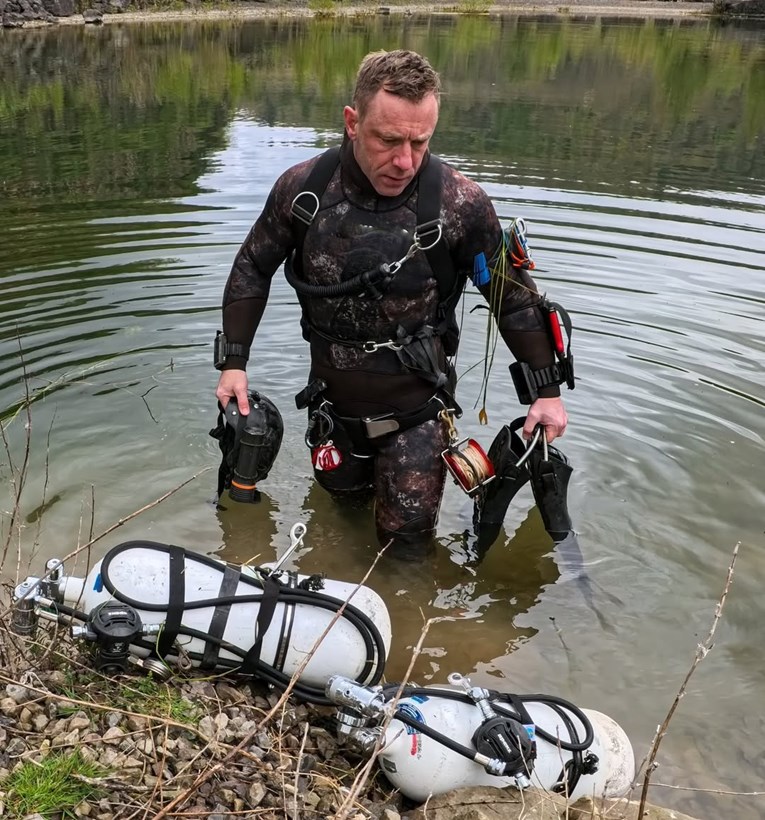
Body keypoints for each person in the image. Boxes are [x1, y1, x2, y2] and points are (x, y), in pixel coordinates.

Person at [214, 49, 569, 560]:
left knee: (404, 554)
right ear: (353, 123)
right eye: (389, 140)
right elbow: (251, 267)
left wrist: (547, 392)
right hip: (331, 415)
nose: (405, 160)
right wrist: (234, 365)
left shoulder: (459, 204)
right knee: (336, 524)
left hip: (416, 420)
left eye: (420, 142)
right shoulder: (303, 193)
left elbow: (511, 301)